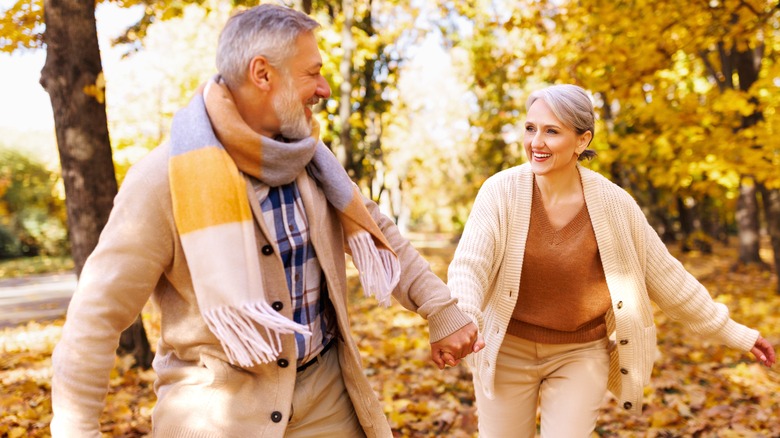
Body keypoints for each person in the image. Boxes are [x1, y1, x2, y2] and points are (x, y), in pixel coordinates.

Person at [50, 5, 482, 437]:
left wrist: (441, 310)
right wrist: (76, 430)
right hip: (217, 414)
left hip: (326, 397)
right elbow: (97, 313)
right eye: (312, 73)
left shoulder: (308, 156)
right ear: (262, 74)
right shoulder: (162, 180)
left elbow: (375, 228)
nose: (325, 89)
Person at [447, 84, 776, 437]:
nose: (536, 143)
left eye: (552, 131)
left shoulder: (614, 204)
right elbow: (471, 265)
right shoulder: (501, 192)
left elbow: (666, 277)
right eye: (531, 128)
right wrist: (462, 318)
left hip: (579, 354)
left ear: (581, 141)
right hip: (506, 349)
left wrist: (733, 332)